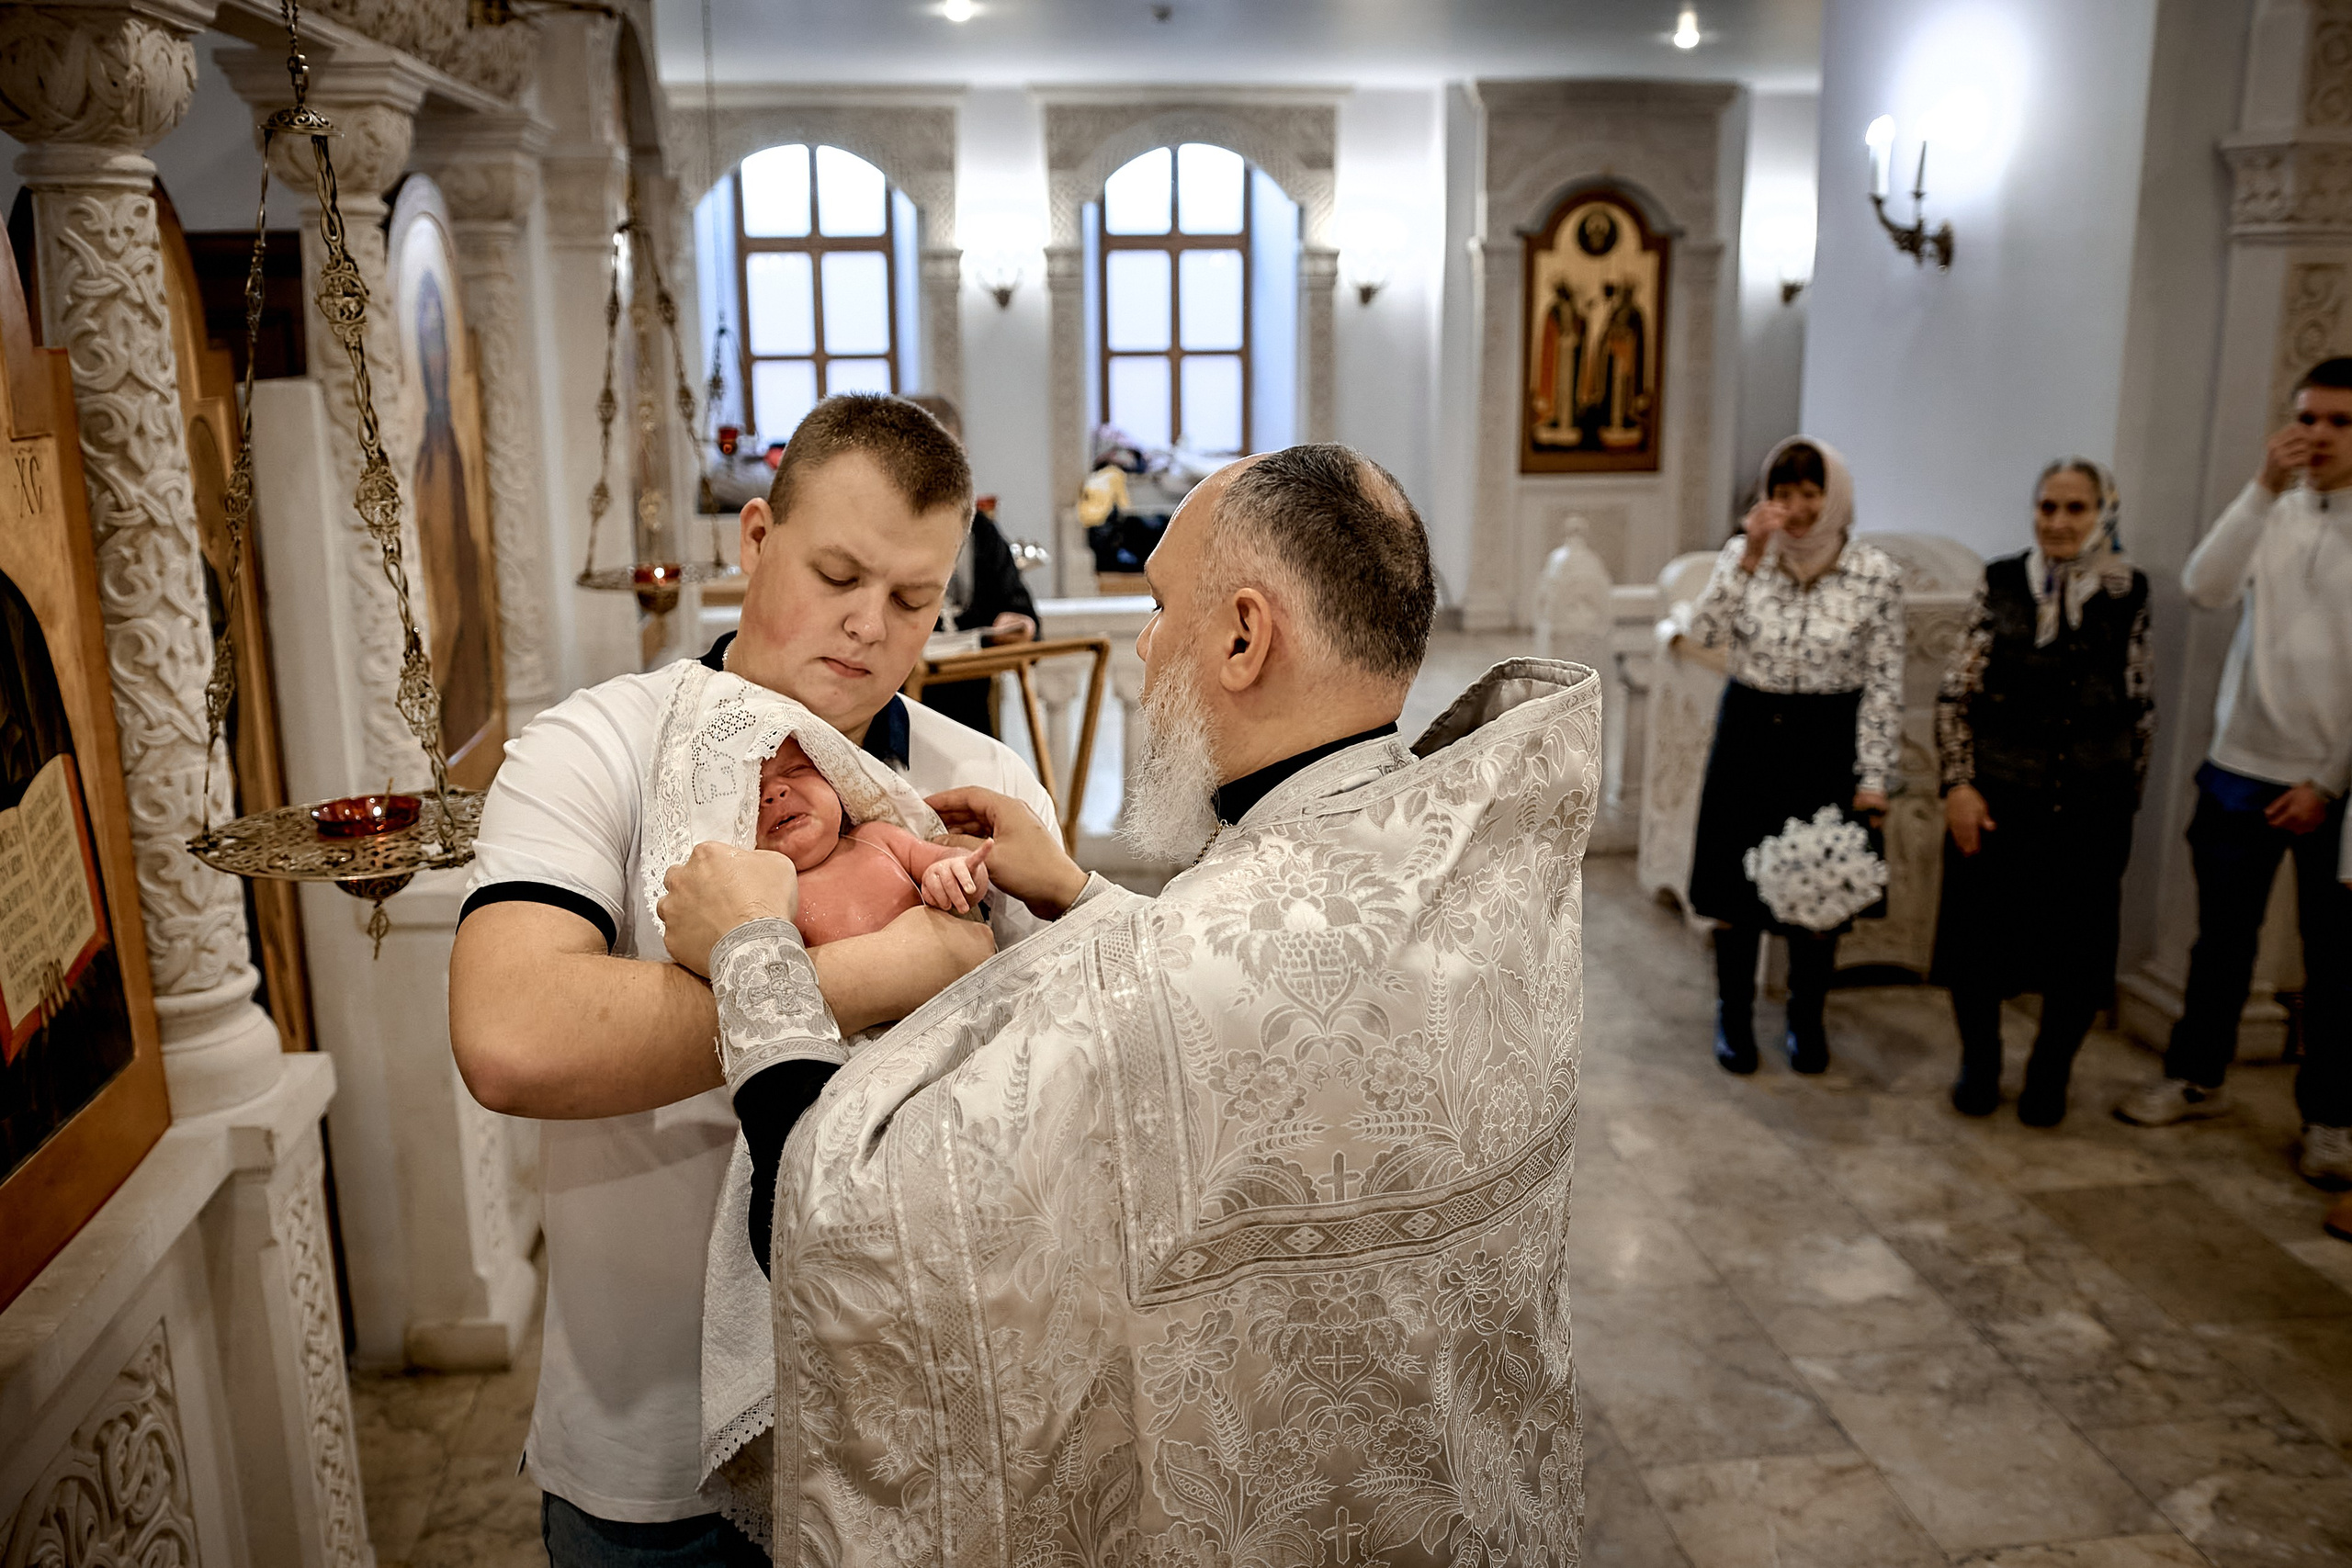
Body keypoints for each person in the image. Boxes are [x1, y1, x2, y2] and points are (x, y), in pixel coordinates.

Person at [657, 445, 1591, 1562]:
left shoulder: (1153, 984)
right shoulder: (1473, 861)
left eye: (1156, 609)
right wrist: (1080, 894)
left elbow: (839, 1230)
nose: (1144, 648)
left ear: (1244, 636)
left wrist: (753, 949)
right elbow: (1287, 1002)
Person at [447, 394, 1058, 1564]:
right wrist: (884, 967)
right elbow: (513, 1035)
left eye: (912, 599)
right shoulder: (595, 747)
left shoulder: (975, 783)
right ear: (756, 537)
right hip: (648, 1454)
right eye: (836, 573)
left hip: (911, 1435)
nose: (870, 626)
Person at [2116, 359, 2352, 1190]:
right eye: (2306, 419)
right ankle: (2197, 1077)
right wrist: (2261, 486)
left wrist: (2327, 781)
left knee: (2336, 961)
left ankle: (2329, 1117)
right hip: (2240, 766)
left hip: (2336, 782)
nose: (2318, 436)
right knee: (2220, 942)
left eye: (2338, 422)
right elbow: (2205, 586)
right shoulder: (2273, 513)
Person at [1933, 459, 2154, 1125]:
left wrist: (2125, 799)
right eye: (2047, 507)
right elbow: (1955, 694)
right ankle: (1980, 1061)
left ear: (2102, 513)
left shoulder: (2128, 590)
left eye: (2075, 508)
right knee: (1978, 944)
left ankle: (2051, 1071)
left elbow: (2141, 703)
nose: (2058, 522)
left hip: (2091, 802)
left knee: (2078, 951)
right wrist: (1959, 784)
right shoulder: (2003, 581)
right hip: (2000, 794)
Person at [1679, 436, 1905, 1075]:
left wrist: (1875, 778)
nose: (1798, 509)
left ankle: (1806, 1016)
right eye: (1784, 494)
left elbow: (1885, 683)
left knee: (1820, 884)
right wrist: (1748, 554)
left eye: (1811, 493)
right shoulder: (1745, 558)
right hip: (1750, 730)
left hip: (1825, 740)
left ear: (1834, 498)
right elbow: (1704, 634)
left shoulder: (1875, 574)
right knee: (1736, 890)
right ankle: (1734, 1014)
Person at [752, 738, 995, 932]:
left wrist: (956, 871)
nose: (773, 791)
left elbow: (950, 859)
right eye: (751, 790)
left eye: (796, 770)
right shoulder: (770, 895)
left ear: (837, 782)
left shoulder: (876, 838)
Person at [904, 393, 1039, 738]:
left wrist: (1019, 624)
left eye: (946, 454)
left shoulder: (980, 529)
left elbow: (1019, 607)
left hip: (971, 712)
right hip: (901, 711)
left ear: (962, 455)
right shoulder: (881, 531)